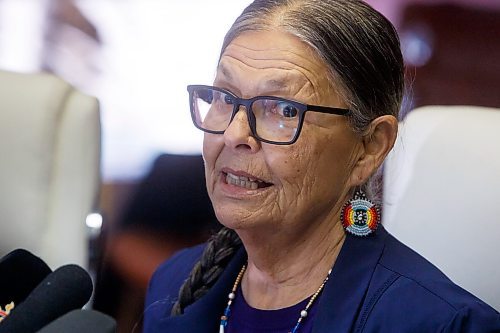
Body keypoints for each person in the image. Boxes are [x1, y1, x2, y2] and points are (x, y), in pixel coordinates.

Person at [143, 1, 500, 332]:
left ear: (369, 148)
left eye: (283, 110)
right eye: (224, 97)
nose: (235, 134)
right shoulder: (174, 284)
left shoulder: (439, 323)